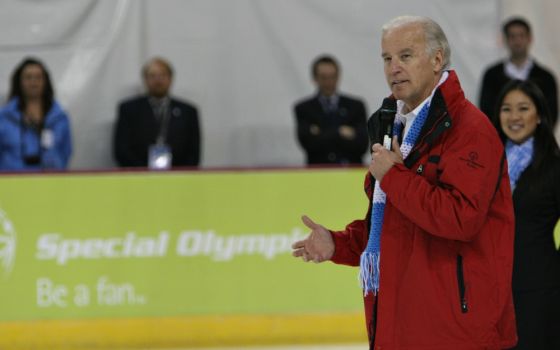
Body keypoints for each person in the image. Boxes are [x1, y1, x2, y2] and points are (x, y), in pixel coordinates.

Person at [292, 16, 517, 349]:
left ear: (437, 59)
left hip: (458, 333)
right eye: (387, 58)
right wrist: (338, 244)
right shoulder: (393, 127)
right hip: (403, 325)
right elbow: (397, 227)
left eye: (406, 56)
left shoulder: (470, 130)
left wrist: (395, 177)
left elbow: (460, 219)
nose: (393, 67)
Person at [492, 79, 560, 349]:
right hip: (492, 290)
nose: (514, 117)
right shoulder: (487, 166)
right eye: (506, 109)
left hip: (539, 292)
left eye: (523, 108)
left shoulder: (553, 167)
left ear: (540, 115)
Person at [114, 57, 200, 168]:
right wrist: (144, 173)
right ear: (145, 79)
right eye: (152, 76)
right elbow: (121, 150)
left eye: (162, 75)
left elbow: (193, 153)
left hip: (178, 179)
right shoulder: (129, 110)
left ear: (170, 78)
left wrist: (177, 174)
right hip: (138, 178)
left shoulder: (188, 112)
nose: (158, 80)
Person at [479, 17, 558, 127]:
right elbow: (486, 112)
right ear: (505, 40)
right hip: (500, 142)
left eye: (521, 36)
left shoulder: (545, 78)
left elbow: (550, 115)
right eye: (512, 36)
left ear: (530, 38)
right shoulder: (491, 76)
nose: (517, 41)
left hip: (536, 142)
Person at [294, 55, 368, 165]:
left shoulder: (356, 106)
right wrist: (341, 132)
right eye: (323, 77)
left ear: (338, 76)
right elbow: (308, 144)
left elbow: (362, 145)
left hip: (351, 173)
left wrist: (321, 132)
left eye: (332, 77)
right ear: (315, 78)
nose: (328, 82)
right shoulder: (303, 108)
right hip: (318, 175)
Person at [0, 57, 72, 171]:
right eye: (28, 77)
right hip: (11, 184)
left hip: (50, 184)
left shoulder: (60, 118)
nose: (33, 82)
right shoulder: (4, 118)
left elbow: (66, 153)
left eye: (38, 77)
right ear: (19, 81)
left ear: (45, 81)